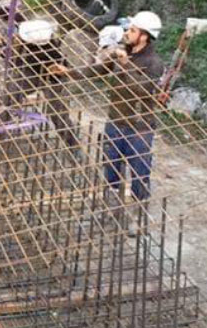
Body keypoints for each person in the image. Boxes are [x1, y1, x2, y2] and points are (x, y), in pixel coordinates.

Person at [48, 11, 165, 203]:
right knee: (111, 165)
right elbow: (96, 71)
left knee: (139, 172)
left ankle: (139, 210)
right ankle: (111, 203)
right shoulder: (122, 52)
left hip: (139, 126)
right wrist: (69, 72)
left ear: (144, 36)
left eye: (133, 30)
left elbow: (144, 90)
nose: (127, 32)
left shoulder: (154, 63)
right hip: (116, 120)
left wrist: (126, 65)